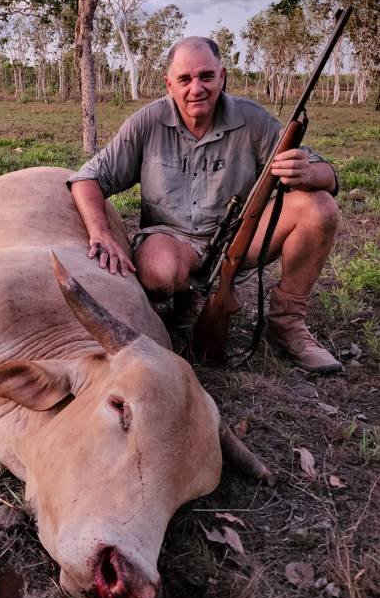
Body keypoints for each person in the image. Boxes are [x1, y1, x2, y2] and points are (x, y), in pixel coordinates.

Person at [68, 36, 342, 374]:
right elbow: (87, 179)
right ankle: (187, 301)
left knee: (320, 208)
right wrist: (101, 233)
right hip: (171, 238)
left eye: (206, 77)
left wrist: (307, 172)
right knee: (158, 272)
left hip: (239, 238)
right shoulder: (146, 122)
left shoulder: (253, 120)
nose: (196, 88)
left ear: (222, 76)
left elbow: (328, 175)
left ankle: (287, 324)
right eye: (185, 79)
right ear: (169, 84)